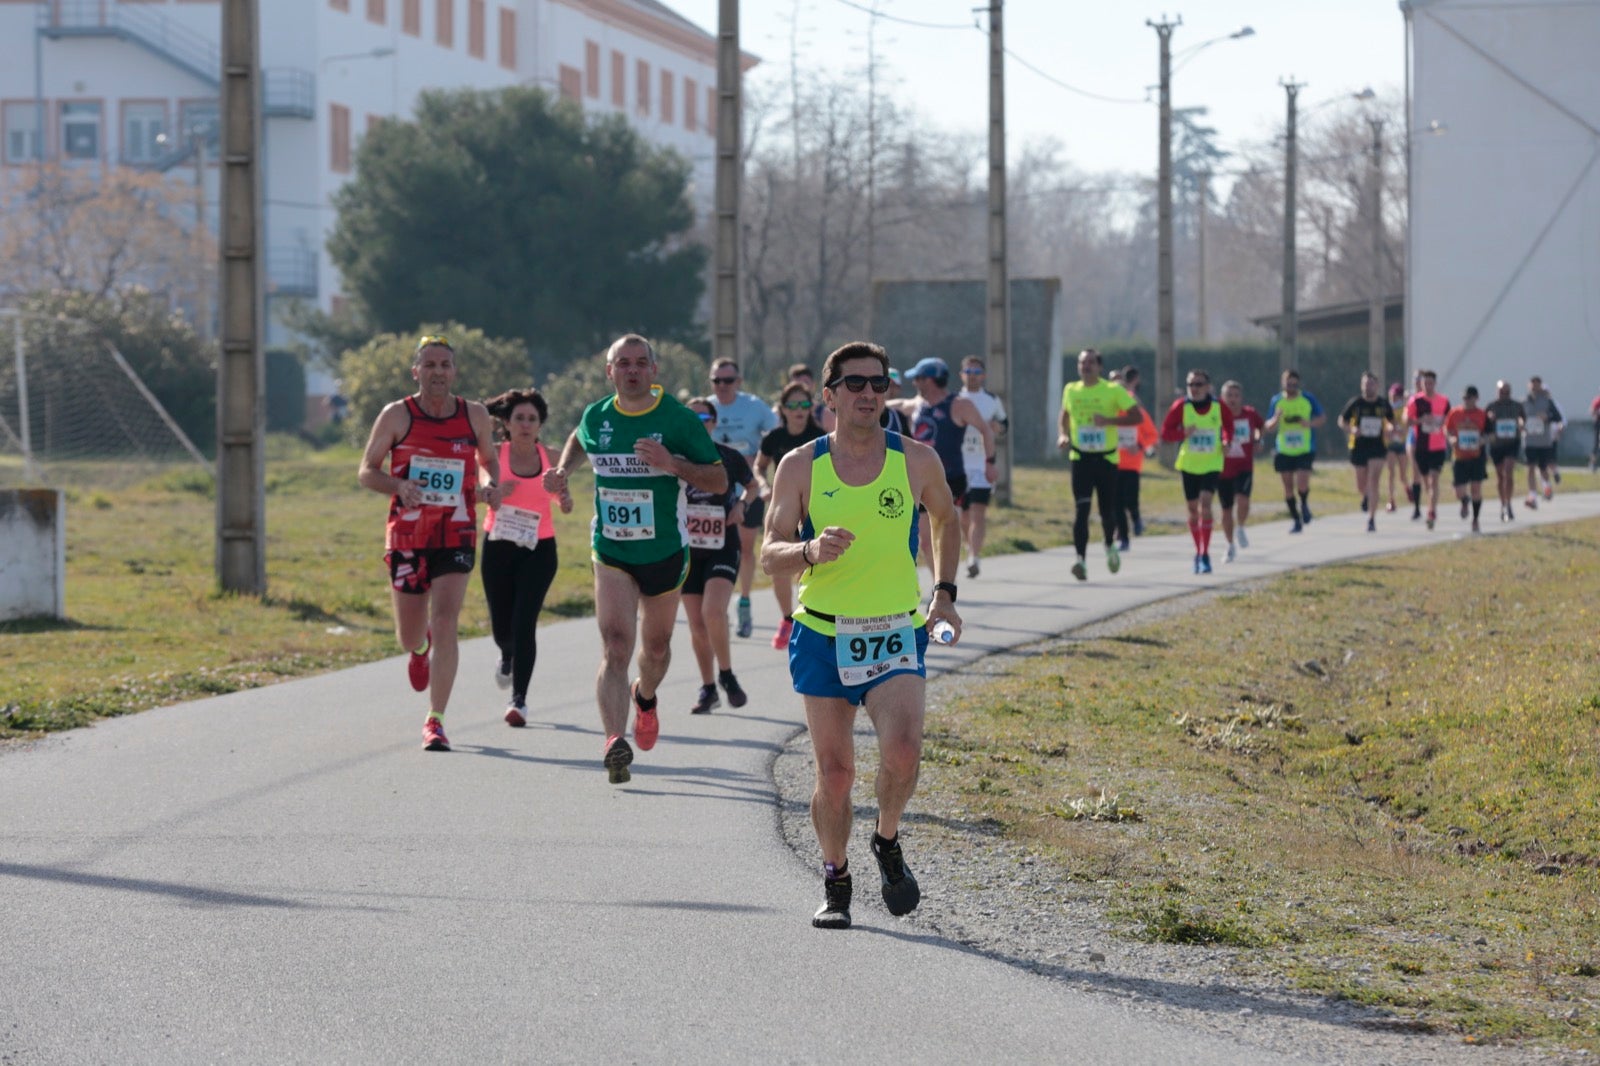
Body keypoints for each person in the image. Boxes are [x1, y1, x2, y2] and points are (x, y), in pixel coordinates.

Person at [760, 340, 963, 930]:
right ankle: (836, 876)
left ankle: (887, 838)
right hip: (822, 633)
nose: (868, 393)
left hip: (896, 629)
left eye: (878, 383)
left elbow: (947, 519)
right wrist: (808, 549)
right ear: (829, 395)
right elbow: (769, 555)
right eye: (854, 384)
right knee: (836, 772)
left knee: (902, 753)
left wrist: (944, 593)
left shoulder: (917, 459)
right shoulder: (800, 465)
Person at [542, 334, 727, 784]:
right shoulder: (598, 414)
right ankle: (613, 741)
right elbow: (580, 437)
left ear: (654, 371)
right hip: (612, 550)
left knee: (656, 648)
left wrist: (673, 464)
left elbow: (720, 480)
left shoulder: (678, 420)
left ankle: (644, 698)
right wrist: (565, 470)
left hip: (664, 552)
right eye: (622, 363)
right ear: (610, 372)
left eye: (641, 362)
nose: (632, 370)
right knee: (616, 645)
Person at [357, 334, 500, 752]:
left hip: (456, 530)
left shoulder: (474, 415)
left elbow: (487, 460)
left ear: (454, 372)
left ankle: (435, 720)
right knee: (410, 635)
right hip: (408, 533)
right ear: (416, 372)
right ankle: (419, 650)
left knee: (447, 621)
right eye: (430, 365)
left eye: (445, 365)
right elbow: (366, 471)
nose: (438, 372)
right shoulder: (397, 415)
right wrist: (398, 485)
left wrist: (489, 485)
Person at [480, 388, 572, 727]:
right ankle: (506, 653)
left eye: (532, 419)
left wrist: (565, 500)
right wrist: (491, 493)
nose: (525, 424)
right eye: (519, 418)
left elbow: (563, 497)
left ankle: (519, 700)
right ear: (506, 422)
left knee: (524, 624)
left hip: (539, 550)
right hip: (498, 546)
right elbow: (481, 485)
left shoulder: (552, 457)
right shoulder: (493, 455)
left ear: (540, 424)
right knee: (502, 629)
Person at [680, 398, 755, 714]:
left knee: (713, 611)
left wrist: (741, 505)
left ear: (713, 422)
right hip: (687, 549)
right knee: (697, 624)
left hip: (722, 544)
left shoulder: (728, 457)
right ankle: (708, 687)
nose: (698, 420)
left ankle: (726, 675)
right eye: (691, 415)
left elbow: (752, 487)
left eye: (704, 415)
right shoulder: (676, 460)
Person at [887, 357, 995, 574]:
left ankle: (950, 578)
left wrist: (990, 463)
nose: (915, 383)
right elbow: (891, 405)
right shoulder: (917, 404)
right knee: (926, 541)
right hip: (921, 480)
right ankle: (940, 584)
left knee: (945, 532)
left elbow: (985, 429)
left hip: (951, 480)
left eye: (918, 379)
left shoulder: (959, 405)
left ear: (930, 380)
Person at [706, 359, 779, 642]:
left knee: (745, 548)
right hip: (712, 491)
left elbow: (774, 433)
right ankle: (714, 605)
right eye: (717, 381)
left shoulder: (753, 406)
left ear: (738, 381)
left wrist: (757, 458)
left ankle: (744, 600)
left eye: (728, 380)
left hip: (747, 487)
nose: (722, 386)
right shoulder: (706, 408)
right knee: (715, 548)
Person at [1057, 349, 1141, 580]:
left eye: (1091, 363)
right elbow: (1064, 415)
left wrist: (1109, 421)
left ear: (1100, 367)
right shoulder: (1071, 389)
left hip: (1106, 460)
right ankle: (1080, 561)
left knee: (1107, 512)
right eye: (1082, 362)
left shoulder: (1113, 390)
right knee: (1081, 510)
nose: (1086, 366)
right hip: (1080, 459)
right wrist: (1063, 435)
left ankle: (1109, 545)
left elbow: (1137, 417)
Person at [758, 382, 827, 650]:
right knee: (778, 565)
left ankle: (805, 618)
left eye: (804, 404)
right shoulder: (773, 438)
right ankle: (787, 618)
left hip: (812, 510)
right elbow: (759, 466)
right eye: (793, 405)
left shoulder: (820, 437)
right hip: (782, 508)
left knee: (806, 567)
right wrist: (763, 485)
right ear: (783, 409)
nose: (799, 410)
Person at [1160, 368, 1231, 573]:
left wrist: (1226, 441)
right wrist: (1183, 433)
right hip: (1189, 464)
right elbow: (1166, 433)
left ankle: (1205, 553)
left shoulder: (1219, 406)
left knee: (1205, 504)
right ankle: (1197, 551)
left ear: (1208, 387)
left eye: (1199, 384)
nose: (1194, 388)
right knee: (1192, 510)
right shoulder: (1180, 406)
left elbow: (1228, 426)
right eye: (1191, 384)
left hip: (1212, 463)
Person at [956, 355, 1008, 578]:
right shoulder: (955, 399)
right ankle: (970, 547)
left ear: (983, 376)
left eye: (977, 373)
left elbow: (1005, 424)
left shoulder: (991, 399)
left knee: (978, 513)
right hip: (959, 465)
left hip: (983, 464)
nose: (973, 377)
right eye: (969, 372)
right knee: (962, 516)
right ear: (962, 375)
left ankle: (973, 558)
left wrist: (998, 427)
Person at [1264, 368, 1325, 534]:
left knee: (1303, 482)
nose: (1291, 386)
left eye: (1294, 384)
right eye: (1288, 383)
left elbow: (1321, 418)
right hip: (1284, 450)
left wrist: (1309, 424)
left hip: (1304, 448)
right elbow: (1268, 427)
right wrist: (1276, 418)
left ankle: (1304, 504)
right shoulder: (1276, 401)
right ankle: (1296, 519)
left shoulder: (1307, 399)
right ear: (1283, 384)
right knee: (1288, 487)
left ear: (1298, 384)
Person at [1339, 372, 1396, 533]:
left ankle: (1371, 519)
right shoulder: (1356, 403)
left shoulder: (1383, 404)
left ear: (1377, 386)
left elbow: (1392, 422)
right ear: (1361, 385)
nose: (1368, 387)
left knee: (1374, 480)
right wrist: (1351, 429)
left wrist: (1391, 429)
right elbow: (1341, 420)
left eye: (1371, 384)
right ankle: (1366, 496)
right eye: (1365, 383)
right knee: (1361, 485)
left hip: (1377, 447)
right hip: (1359, 446)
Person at [1112, 365, 1159, 553]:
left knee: (1130, 500)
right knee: (1117, 503)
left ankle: (1136, 517)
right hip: (1112, 462)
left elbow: (1152, 435)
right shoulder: (1107, 411)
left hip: (1132, 464)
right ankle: (1123, 538)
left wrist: (1139, 446)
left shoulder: (1136, 412)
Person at [1218, 379, 1264, 560]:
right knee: (1226, 510)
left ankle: (1241, 527)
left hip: (1244, 466)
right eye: (1229, 395)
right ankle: (1229, 545)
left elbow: (1261, 427)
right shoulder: (1217, 415)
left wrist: (1259, 439)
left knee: (1243, 501)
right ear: (1222, 397)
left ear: (1241, 398)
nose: (1232, 399)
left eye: (1236, 395)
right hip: (1223, 469)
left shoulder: (1249, 414)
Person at [1404, 369, 1451, 530]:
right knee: (1426, 483)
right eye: (1425, 383)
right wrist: (1420, 420)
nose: (1428, 386)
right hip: (1422, 447)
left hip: (1438, 447)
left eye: (1431, 383)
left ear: (1435, 384)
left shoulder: (1444, 401)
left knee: (1434, 479)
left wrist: (1443, 426)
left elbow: (1449, 421)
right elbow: (1407, 421)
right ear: (1421, 384)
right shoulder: (1414, 401)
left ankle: (1431, 511)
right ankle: (1430, 505)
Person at [1445, 385, 1490, 533]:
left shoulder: (1482, 415)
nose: (1466, 401)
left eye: (1469, 398)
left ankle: (1475, 519)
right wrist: (1451, 438)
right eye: (1464, 398)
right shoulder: (1455, 413)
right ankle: (1465, 500)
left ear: (1476, 399)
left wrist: (1483, 440)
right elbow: (1447, 429)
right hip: (1459, 456)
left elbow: (1490, 434)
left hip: (1476, 457)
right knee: (1459, 491)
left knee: (1476, 489)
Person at [1484, 380, 1525, 521]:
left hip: (1512, 443)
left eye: (1507, 392)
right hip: (1497, 445)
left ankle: (1509, 503)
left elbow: (1523, 419)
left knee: (1508, 472)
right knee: (1500, 476)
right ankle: (1503, 504)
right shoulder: (1491, 406)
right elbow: (1484, 425)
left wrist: (1521, 425)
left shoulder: (1517, 405)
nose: (1504, 395)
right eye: (1502, 392)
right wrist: (1489, 420)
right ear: (1497, 392)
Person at [1522, 375, 1564, 508]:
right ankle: (1532, 496)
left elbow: (1558, 417)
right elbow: (1519, 417)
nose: (1534, 387)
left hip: (1544, 442)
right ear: (1529, 386)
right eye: (1532, 384)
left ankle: (1547, 487)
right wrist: (1520, 423)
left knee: (1543, 469)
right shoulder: (1524, 402)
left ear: (1540, 386)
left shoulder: (1547, 401)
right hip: (1529, 441)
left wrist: (1548, 417)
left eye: (1537, 385)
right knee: (1530, 468)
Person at [1383, 382, 1409, 512]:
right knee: (1391, 472)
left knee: (1402, 475)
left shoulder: (1405, 409)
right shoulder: (1386, 409)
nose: (1394, 399)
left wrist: (1398, 429)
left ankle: (1407, 487)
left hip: (1402, 444)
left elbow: (1405, 428)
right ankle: (1391, 499)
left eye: (1396, 396)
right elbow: (1383, 427)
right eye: (1392, 396)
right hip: (1390, 445)